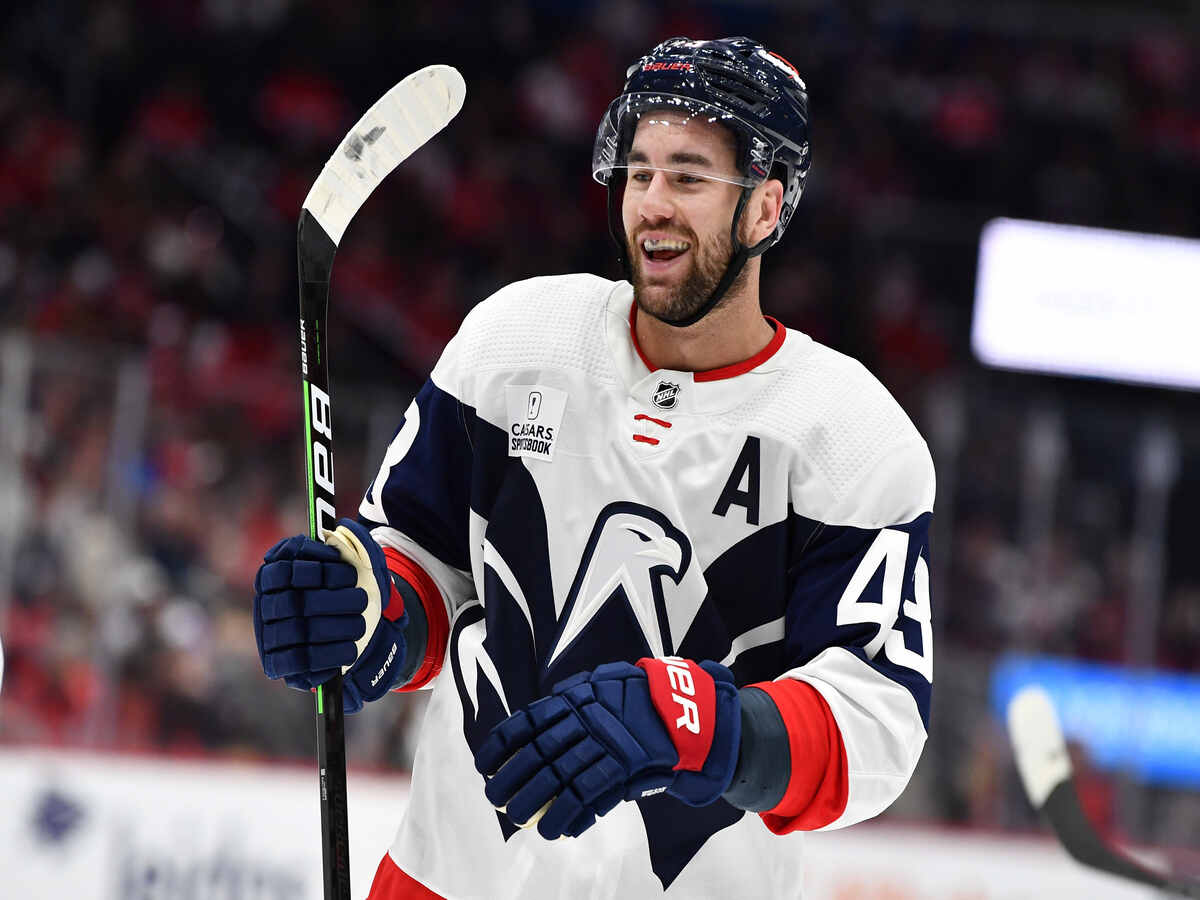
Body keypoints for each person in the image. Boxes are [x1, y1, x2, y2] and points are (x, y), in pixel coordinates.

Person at [253, 36, 935, 900]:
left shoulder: (851, 435)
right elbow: (420, 565)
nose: (652, 203)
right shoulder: (518, 340)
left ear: (766, 209)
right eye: (638, 171)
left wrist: (702, 727)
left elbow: (876, 724)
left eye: (689, 177)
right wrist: (359, 612)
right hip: (447, 882)